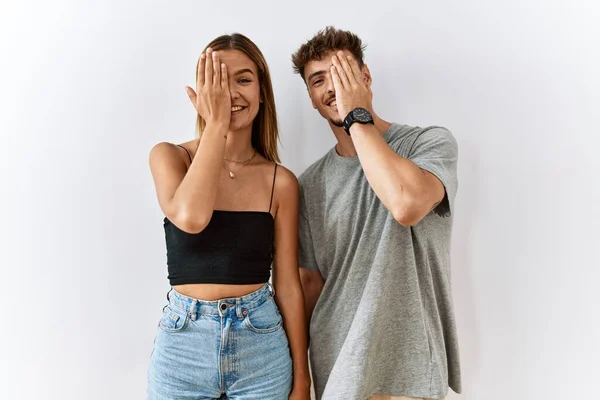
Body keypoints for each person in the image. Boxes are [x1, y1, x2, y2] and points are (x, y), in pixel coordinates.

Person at [292, 27, 462, 400]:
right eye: (318, 80)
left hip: (411, 363)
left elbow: (406, 204)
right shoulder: (309, 185)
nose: (331, 87)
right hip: (336, 362)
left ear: (365, 77)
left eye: (342, 73)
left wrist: (357, 117)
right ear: (311, 98)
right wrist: (298, 378)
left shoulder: (427, 144)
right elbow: (308, 286)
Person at [147, 33, 310, 400]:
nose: (231, 93)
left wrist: (303, 378)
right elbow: (191, 218)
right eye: (218, 80)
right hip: (183, 348)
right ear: (203, 91)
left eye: (243, 79)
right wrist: (216, 127)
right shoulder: (170, 157)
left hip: (262, 346)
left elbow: (288, 285)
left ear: (262, 91)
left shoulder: (280, 182)